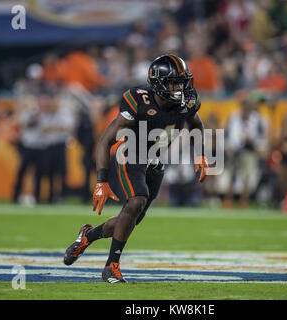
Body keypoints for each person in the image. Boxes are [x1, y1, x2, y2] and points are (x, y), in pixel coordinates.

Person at [63, 55, 208, 283]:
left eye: (182, 82)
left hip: (156, 161)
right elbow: (105, 140)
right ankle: (112, 266)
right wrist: (101, 181)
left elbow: (197, 125)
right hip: (130, 155)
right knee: (137, 200)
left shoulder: (186, 102)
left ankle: (87, 236)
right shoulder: (138, 100)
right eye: (174, 83)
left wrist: (200, 155)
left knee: (128, 219)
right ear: (159, 84)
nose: (181, 88)